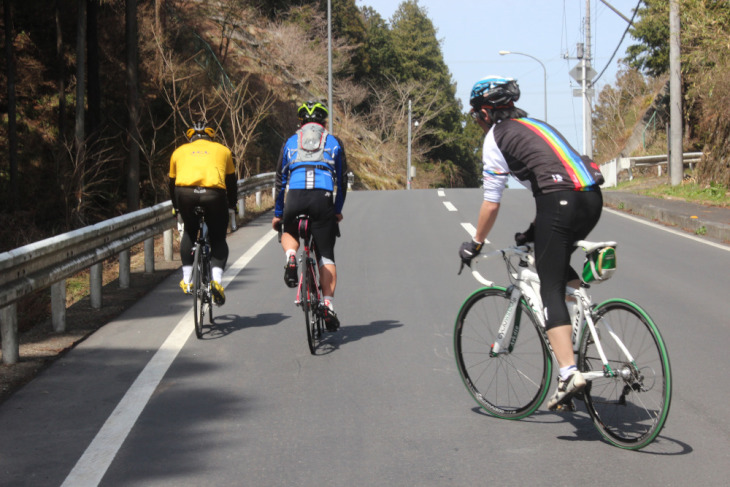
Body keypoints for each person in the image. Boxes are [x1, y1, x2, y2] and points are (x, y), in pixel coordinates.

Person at [458, 76, 606, 411]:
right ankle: (582, 304)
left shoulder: (495, 138)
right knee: (551, 259)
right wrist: (532, 231)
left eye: (474, 116)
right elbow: (562, 178)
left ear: (484, 112)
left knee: (548, 287)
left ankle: (569, 372)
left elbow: (492, 202)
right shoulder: (536, 125)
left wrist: (476, 243)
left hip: (560, 202)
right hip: (592, 199)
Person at [271, 101, 347, 332]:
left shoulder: (290, 142)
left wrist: (278, 214)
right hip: (322, 198)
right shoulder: (334, 142)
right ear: (324, 123)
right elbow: (342, 181)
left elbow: (280, 181)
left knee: (289, 231)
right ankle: (327, 304)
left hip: (295, 197)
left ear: (300, 123)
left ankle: (292, 256)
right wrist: (336, 210)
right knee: (325, 254)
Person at [169, 121, 237, 306]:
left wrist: (176, 208)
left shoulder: (179, 151)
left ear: (191, 137)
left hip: (185, 194)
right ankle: (216, 281)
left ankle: (187, 280)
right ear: (211, 137)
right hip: (214, 195)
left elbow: (172, 184)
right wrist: (232, 205)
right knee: (217, 239)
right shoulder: (223, 150)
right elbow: (231, 182)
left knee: (190, 232)